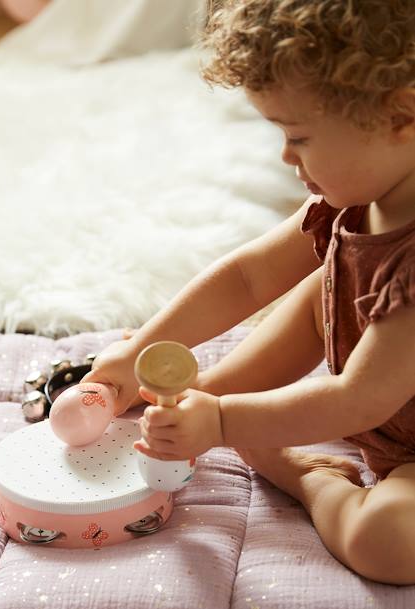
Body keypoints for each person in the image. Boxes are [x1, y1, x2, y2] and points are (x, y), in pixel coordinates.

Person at [81, 0, 415, 585]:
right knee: (323, 288)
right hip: (383, 399)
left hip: (393, 427)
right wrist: (143, 352)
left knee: (387, 543)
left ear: (401, 115)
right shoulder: (365, 189)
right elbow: (248, 277)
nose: (286, 157)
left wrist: (225, 425)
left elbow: (359, 400)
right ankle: (204, 396)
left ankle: (307, 476)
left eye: (299, 136)